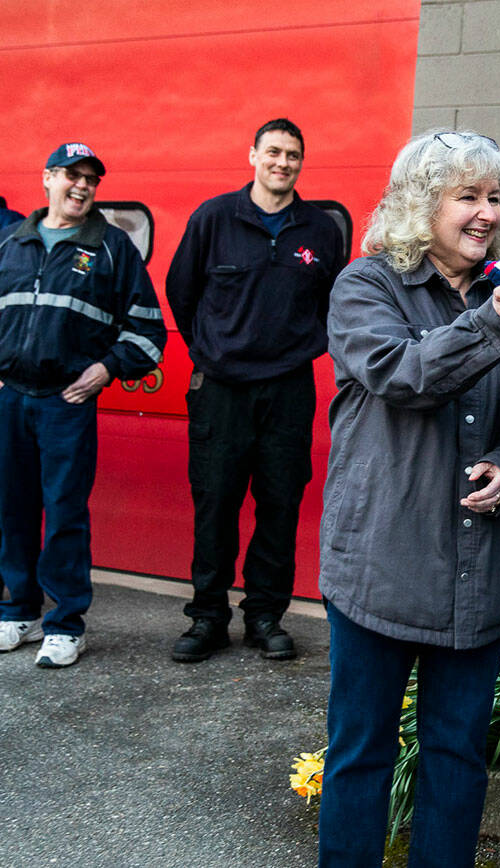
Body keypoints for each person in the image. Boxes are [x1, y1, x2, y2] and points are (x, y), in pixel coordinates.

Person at [316, 129, 500, 867]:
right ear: (421, 205)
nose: (486, 214)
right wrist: (495, 327)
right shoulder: (367, 286)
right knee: (360, 752)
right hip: (381, 564)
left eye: (495, 198)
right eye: (468, 197)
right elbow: (401, 374)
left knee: (457, 757)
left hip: (477, 571)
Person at [166, 118, 344, 662]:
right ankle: (207, 617)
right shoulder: (214, 218)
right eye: (273, 152)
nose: (282, 162)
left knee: (280, 504)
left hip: (288, 390)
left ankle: (266, 616)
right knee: (215, 504)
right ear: (253, 155)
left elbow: (333, 303)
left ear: (300, 163)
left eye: (293, 154)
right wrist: (210, 352)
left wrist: (300, 345)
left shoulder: (319, 230)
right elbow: (181, 292)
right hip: (222, 390)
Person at [0, 143, 166, 668]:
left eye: (91, 179)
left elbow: (147, 332)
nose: (83, 186)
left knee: (66, 514)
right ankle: (19, 611)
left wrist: (106, 369)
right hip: (11, 401)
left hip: (64, 404)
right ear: (47, 177)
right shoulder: (12, 242)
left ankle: (66, 624)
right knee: (12, 511)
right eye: (72, 175)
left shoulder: (112, 248)